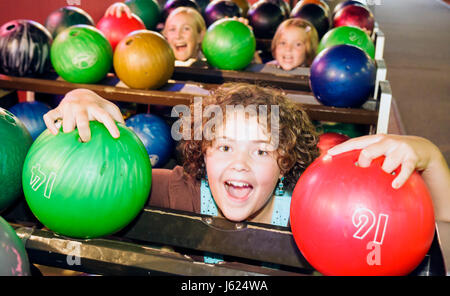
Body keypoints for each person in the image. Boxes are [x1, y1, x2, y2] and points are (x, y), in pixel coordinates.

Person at [43, 85, 450, 223]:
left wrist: (428, 153)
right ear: (203, 156)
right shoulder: (183, 191)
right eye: (224, 147)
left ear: (286, 162)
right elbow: (92, 181)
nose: (239, 163)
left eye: (261, 150)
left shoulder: (309, 209)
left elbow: (443, 223)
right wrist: (81, 97)